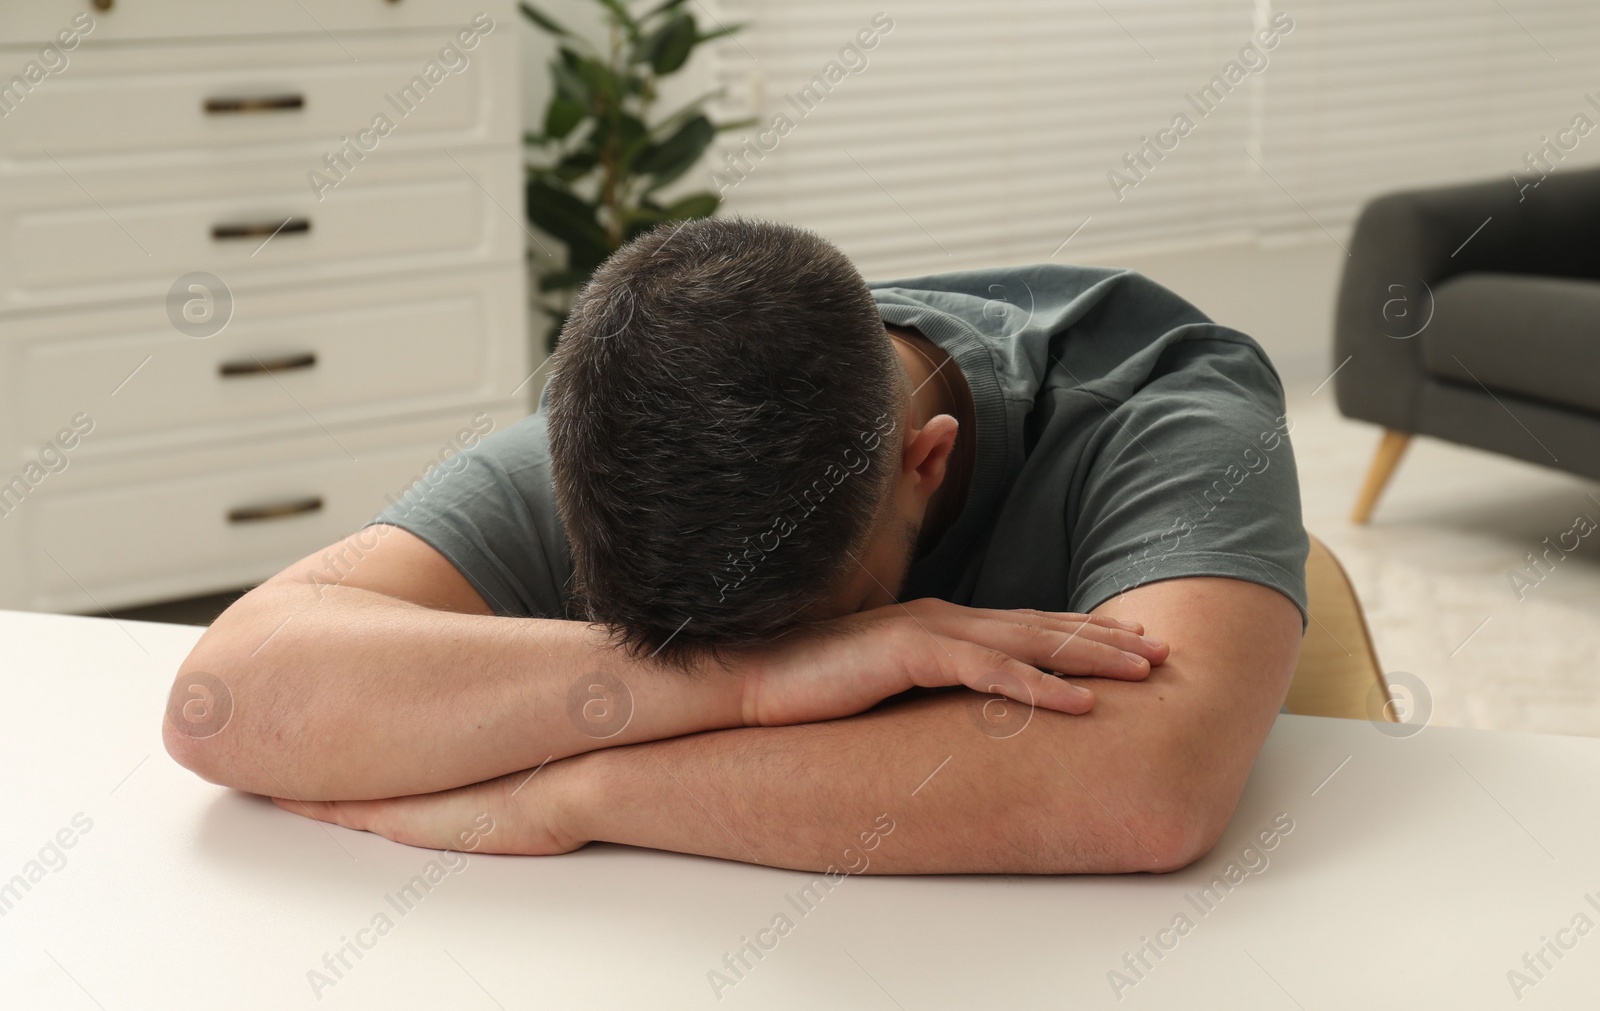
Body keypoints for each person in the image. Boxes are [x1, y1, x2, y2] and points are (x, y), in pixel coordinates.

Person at [164, 217, 1308, 875]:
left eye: (825, 622)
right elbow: (224, 701)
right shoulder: (640, 422)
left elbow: (1147, 788)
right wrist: (760, 682)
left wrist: (578, 794)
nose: (814, 671)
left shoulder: (1165, 405)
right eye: (682, 650)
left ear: (929, 459)